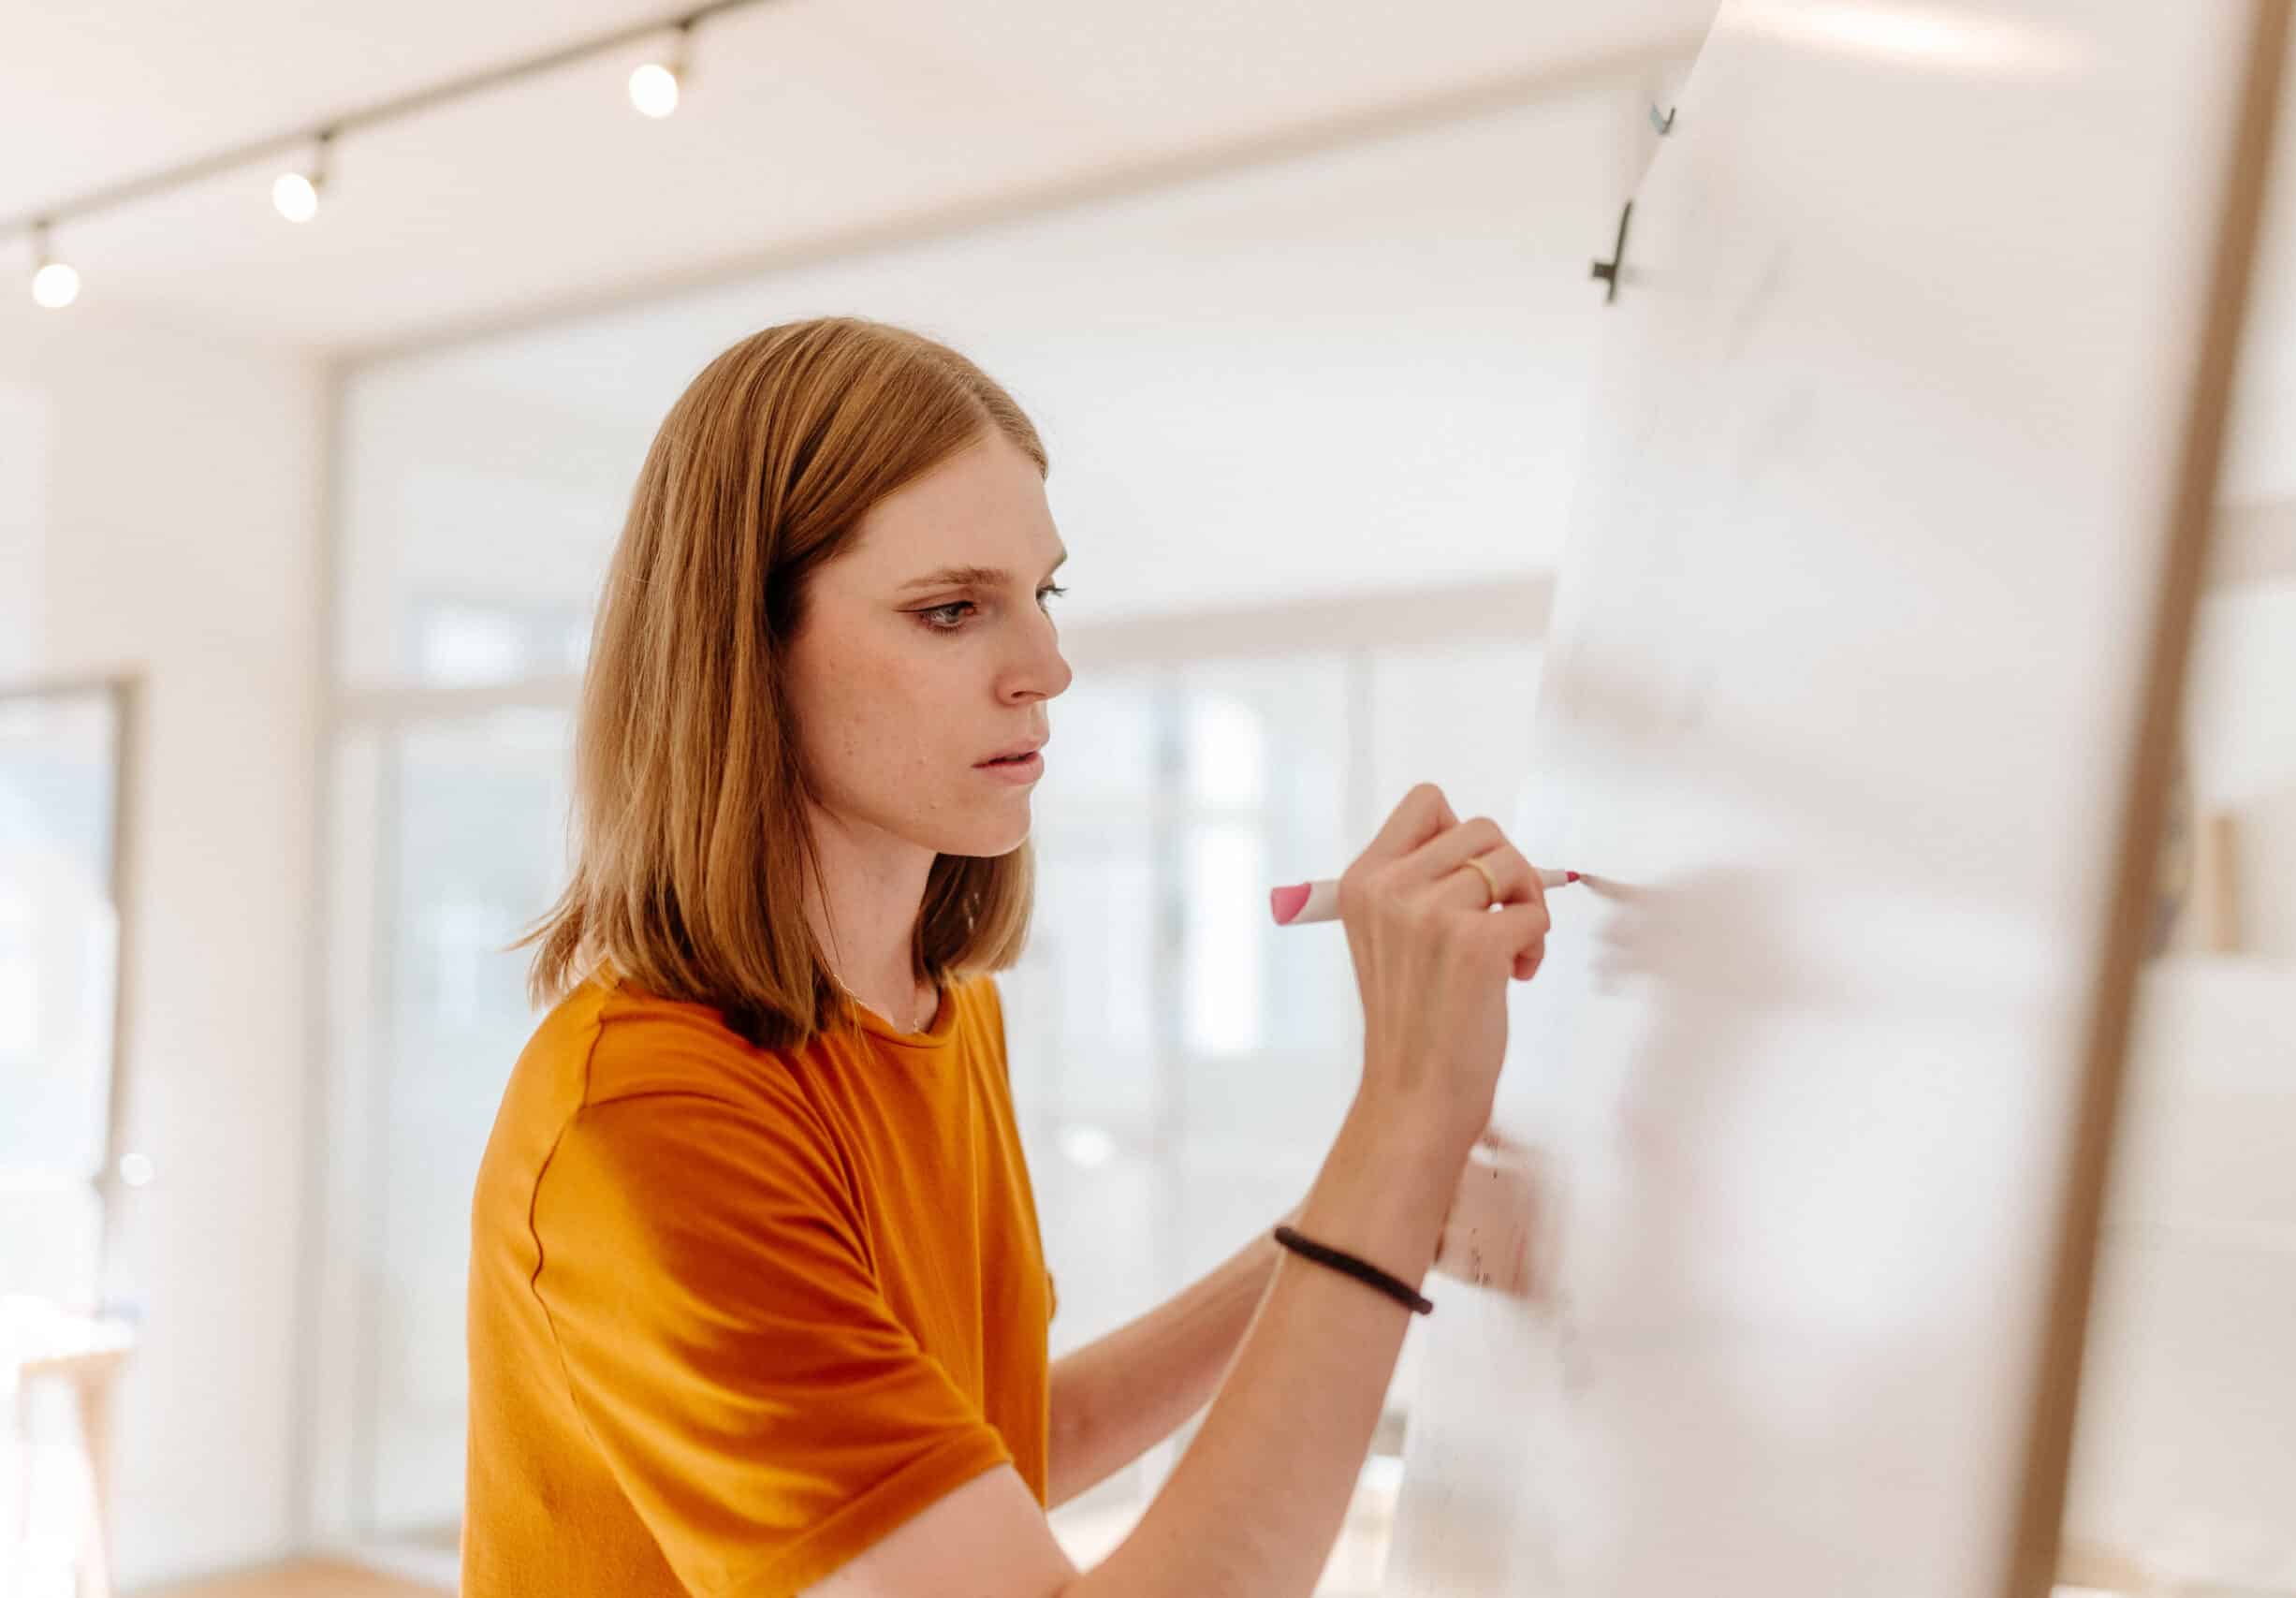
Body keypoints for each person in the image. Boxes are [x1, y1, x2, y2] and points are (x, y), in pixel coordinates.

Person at [462, 315, 1552, 1596]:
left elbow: (1008, 1448)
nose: (1047, 667)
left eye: (1044, 594)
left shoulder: (939, 1011)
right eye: (950, 611)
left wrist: (1387, 1207)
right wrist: (1405, 1118)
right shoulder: (644, 1125)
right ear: (743, 651)